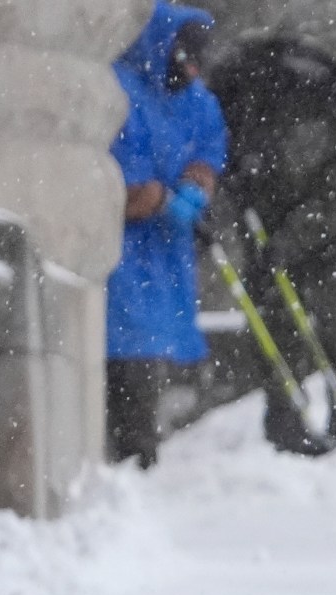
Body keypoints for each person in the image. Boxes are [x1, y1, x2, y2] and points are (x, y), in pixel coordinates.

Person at [205, 36, 336, 455]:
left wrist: (291, 238)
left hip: (329, 237)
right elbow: (229, 160)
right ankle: (286, 418)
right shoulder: (251, 101)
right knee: (275, 325)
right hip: (267, 229)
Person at [105, 2, 228, 468]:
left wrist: (197, 187)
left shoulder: (198, 101)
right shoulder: (121, 90)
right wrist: (155, 197)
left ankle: (137, 449)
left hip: (165, 252)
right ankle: (133, 453)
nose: (191, 70)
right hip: (123, 252)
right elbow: (118, 177)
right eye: (184, 58)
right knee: (126, 346)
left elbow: (209, 148)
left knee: (149, 345)